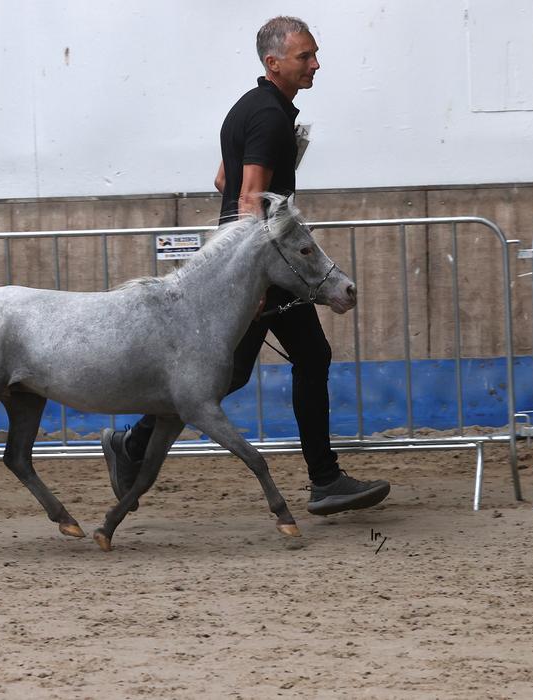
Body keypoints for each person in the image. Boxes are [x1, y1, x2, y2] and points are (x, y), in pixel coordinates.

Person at [101, 15, 390, 516]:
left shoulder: (247, 109)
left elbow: (223, 180)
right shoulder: (270, 117)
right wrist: (253, 281)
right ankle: (324, 480)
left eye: (314, 54)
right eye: (305, 56)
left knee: (234, 373)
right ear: (273, 62)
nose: (315, 64)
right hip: (260, 268)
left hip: (252, 264)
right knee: (302, 359)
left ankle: (132, 444)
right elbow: (248, 196)